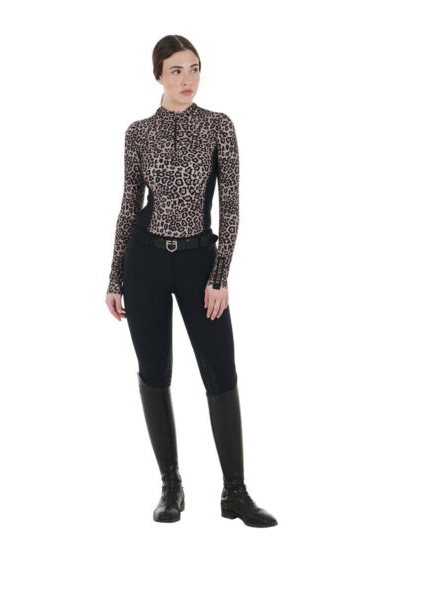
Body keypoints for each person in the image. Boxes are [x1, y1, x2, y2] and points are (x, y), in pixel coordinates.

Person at [105, 34, 277, 528]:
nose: (188, 79)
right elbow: (128, 206)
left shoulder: (218, 125)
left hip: (199, 261)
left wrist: (220, 275)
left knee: (220, 372)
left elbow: (232, 207)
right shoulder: (138, 132)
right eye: (177, 70)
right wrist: (115, 277)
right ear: (158, 75)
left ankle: (235, 493)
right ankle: (171, 487)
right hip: (145, 263)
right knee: (153, 371)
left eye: (195, 68)